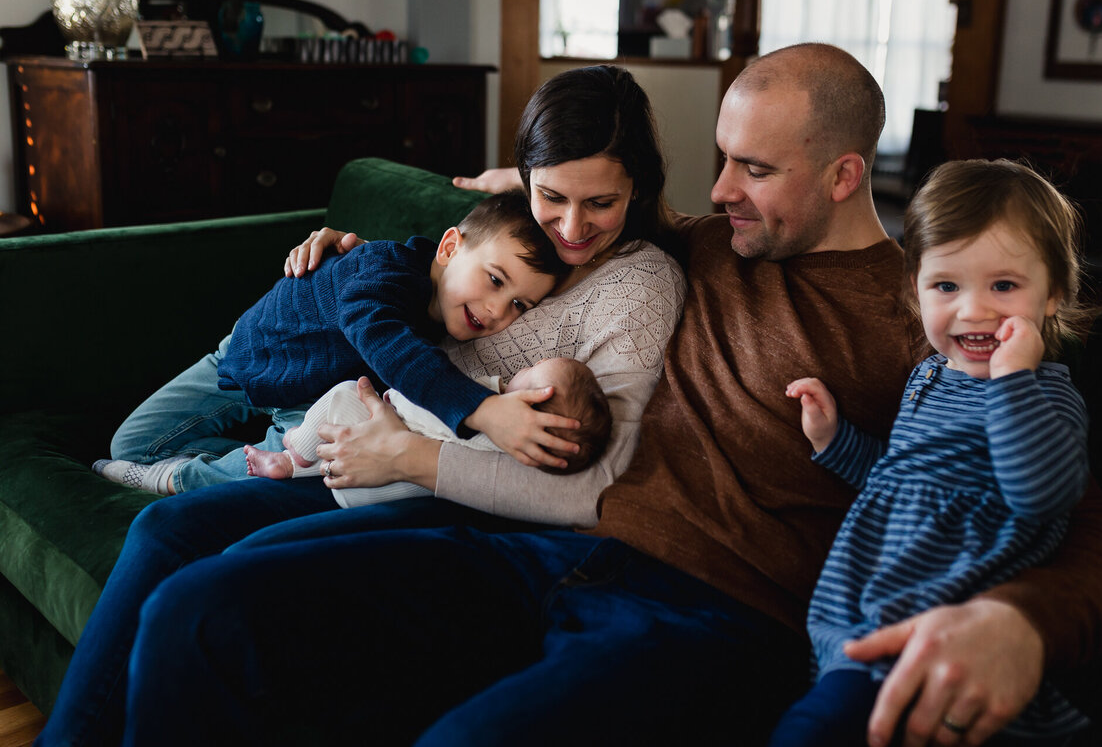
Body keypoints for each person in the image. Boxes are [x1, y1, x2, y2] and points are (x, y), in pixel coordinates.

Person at [88, 44, 1102, 747]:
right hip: (525, 546)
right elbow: (539, 227)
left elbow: (1090, 532)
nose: (721, 191)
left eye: (753, 169)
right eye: (720, 162)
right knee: (196, 609)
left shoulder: (931, 312)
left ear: (842, 176)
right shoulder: (689, 246)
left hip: (706, 614)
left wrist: (1024, 623)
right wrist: (372, 255)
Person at [35, 64, 686, 747]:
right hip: (361, 411)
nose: (572, 226)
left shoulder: (639, 283)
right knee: (163, 534)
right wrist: (350, 258)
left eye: (601, 204)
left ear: (637, 187)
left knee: (183, 552)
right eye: (553, 194)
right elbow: (432, 276)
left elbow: (592, 484)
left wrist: (412, 455)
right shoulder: (521, 224)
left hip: (424, 468)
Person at [771, 159, 1091, 746]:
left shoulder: (1044, 394)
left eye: (1004, 286)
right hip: (861, 603)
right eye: (947, 286)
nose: (974, 310)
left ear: (1054, 296)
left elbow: (1042, 494)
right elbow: (898, 477)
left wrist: (1011, 381)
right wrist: (835, 440)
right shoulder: (927, 376)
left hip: (935, 618)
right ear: (916, 291)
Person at [93, 191, 577, 496]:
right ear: (449, 248)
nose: (497, 312)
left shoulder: (450, 314)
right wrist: (483, 410)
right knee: (131, 444)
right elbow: (386, 341)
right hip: (248, 361)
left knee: (296, 465)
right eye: (495, 280)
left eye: (520, 306)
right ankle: (217, 463)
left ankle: (187, 477)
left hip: (306, 409)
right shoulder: (381, 268)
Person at [245, 357, 612, 504]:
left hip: (372, 480)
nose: (521, 372)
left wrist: (391, 400)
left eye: (529, 376)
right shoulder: (507, 454)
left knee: (344, 393)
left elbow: (426, 412)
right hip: (385, 491)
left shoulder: (480, 423)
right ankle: (294, 467)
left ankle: (294, 449)